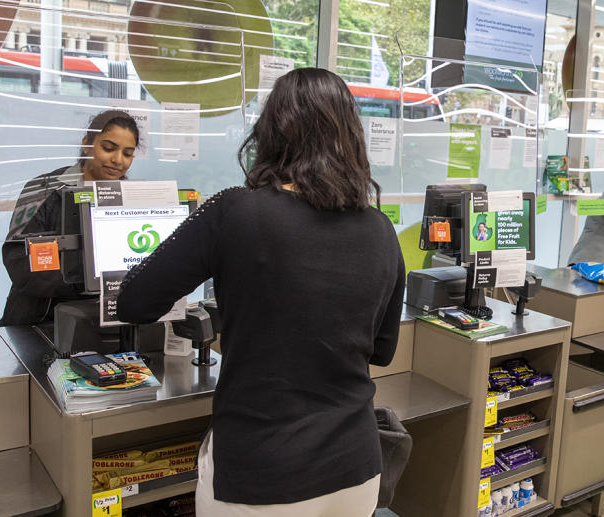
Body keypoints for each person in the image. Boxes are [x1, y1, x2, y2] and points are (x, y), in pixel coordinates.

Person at [115, 68, 404, 516]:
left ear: (271, 132)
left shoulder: (237, 211)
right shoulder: (381, 230)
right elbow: (382, 350)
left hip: (261, 472)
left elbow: (134, 301)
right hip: (357, 468)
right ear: (351, 137)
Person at [0, 110, 139, 327]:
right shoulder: (42, 189)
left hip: (105, 324)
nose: (117, 160)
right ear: (86, 143)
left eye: (127, 154)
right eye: (108, 148)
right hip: (39, 322)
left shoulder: (134, 199)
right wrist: (85, 279)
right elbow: (19, 261)